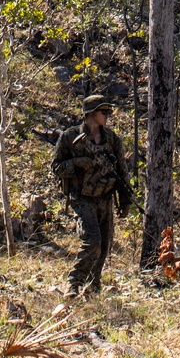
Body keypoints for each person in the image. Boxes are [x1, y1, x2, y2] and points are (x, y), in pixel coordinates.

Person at [52, 94, 133, 295]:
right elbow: (56, 168)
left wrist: (125, 200)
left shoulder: (112, 139)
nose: (107, 115)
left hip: (105, 197)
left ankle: (92, 286)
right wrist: (76, 163)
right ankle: (74, 283)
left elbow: (122, 171)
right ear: (90, 114)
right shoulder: (70, 137)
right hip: (81, 197)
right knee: (93, 240)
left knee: (104, 246)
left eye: (108, 112)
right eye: (103, 112)